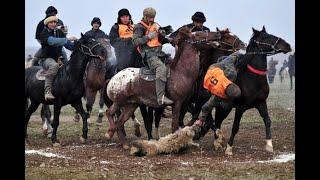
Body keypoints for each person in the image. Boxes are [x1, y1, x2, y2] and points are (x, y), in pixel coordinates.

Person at [132, 7, 173, 105]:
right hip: (149, 55)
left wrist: (166, 37)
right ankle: (161, 98)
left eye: (153, 17)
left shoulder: (155, 25)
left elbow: (159, 39)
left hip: (159, 53)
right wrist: (148, 37)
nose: (152, 19)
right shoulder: (139, 27)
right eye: (150, 17)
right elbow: (135, 42)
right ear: (145, 16)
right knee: (161, 68)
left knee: (173, 64)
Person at [197, 51, 244, 123]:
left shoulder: (231, 74)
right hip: (213, 69)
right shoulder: (232, 73)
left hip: (211, 75)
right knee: (222, 60)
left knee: (223, 61)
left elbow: (206, 107)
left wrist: (238, 54)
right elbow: (206, 106)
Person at [40, 15, 77, 100]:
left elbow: (69, 45)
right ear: (47, 24)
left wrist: (77, 44)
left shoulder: (59, 32)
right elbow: (52, 41)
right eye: (51, 22)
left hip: (59, 59)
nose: (53, 24)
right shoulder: (44, 33)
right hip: (46, 60)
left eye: (55, 22)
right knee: (54, 66)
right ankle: (47, 91)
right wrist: (67, 39)